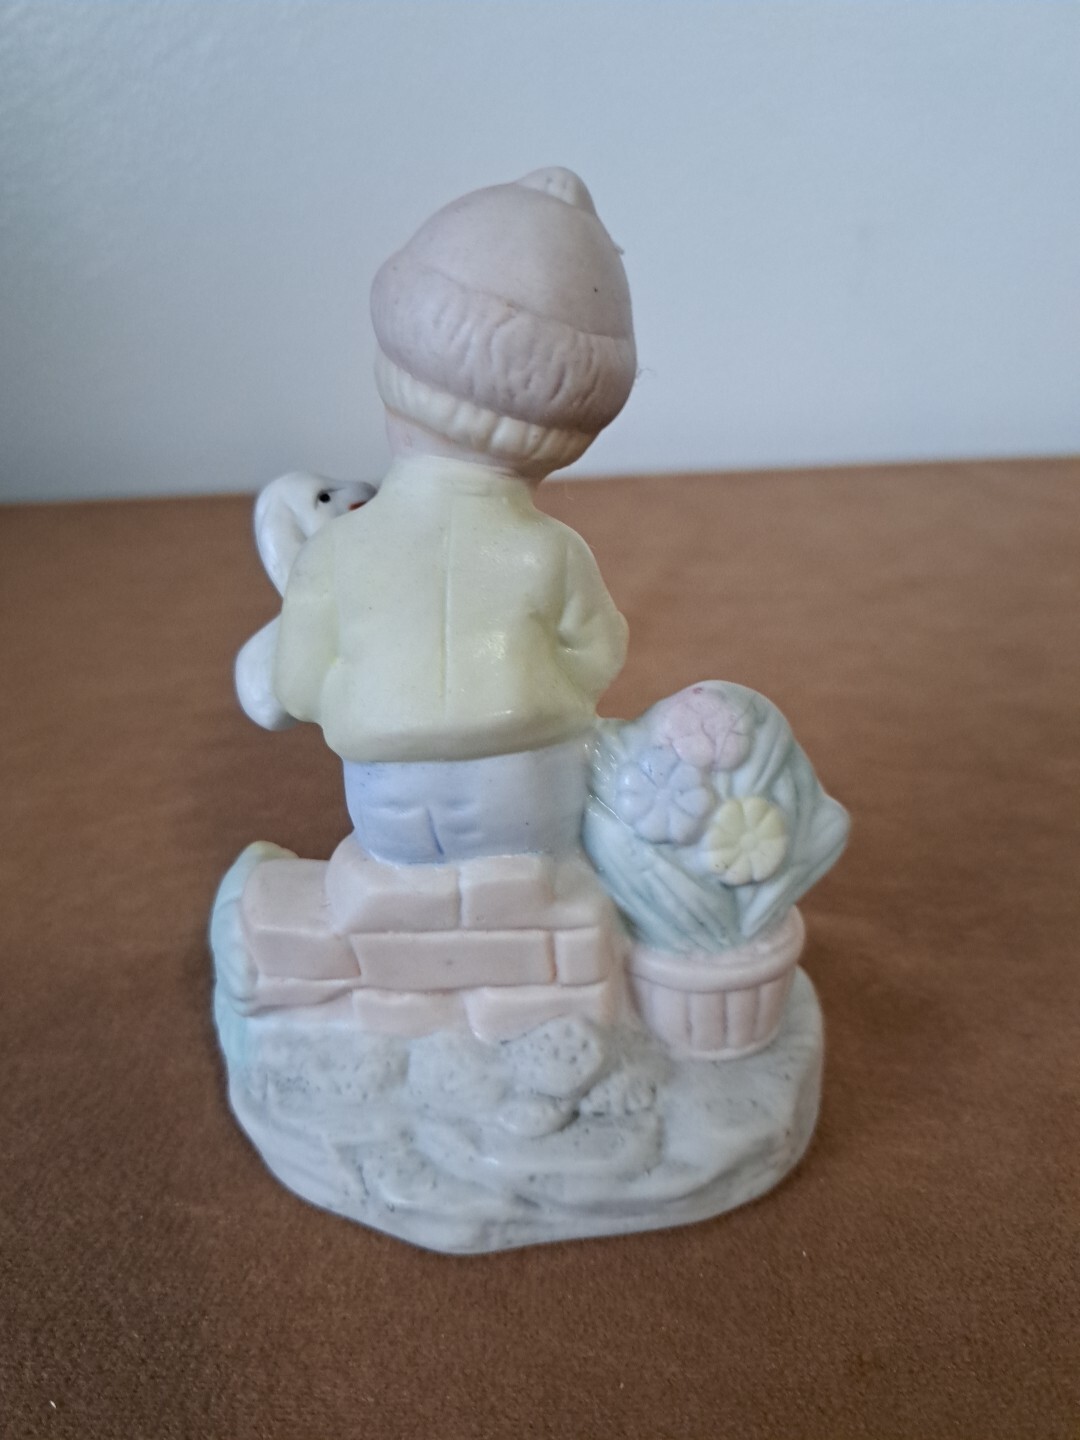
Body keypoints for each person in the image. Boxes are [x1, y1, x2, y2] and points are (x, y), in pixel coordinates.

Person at [273, 168, 637, 864]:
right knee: (528, 878)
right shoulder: (551, 550)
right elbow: (600, 655)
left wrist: (369, 702)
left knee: (398, 877)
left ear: (393, 387)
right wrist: (538, 694)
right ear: (563, 440)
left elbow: (296, 684)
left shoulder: (334, 550)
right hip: (525, 773)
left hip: (382, 778)